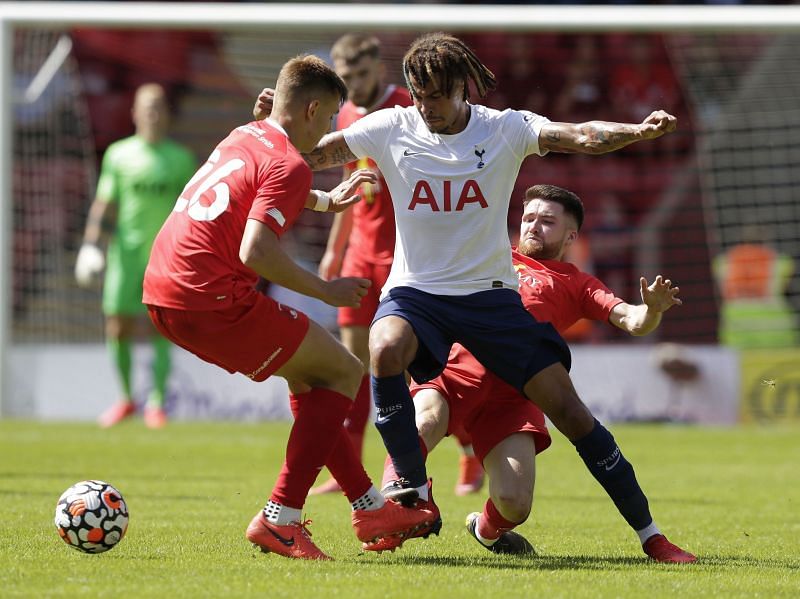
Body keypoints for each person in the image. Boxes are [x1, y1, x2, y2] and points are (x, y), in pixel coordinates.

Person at [252, 32, 685, 558]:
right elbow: (312, 154)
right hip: (416, 291)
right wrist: (273, 129)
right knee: (383, 345)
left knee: (571, 413)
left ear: (462, 87)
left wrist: (636, 131)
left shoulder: (504, 128)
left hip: (489, 298)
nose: (425, 106)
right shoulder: (393, 126)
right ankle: (412, 487)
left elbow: (583, 135)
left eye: (435, 94)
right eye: (417, 94)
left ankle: (651, 536)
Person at [143, 55, 434, 561]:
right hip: (209, 297)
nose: (328, 133)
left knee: (314, 380)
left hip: (164, 290)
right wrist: (326, 291)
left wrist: (326, 200)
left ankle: (369, 506)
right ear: (313, 109)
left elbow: (253, 188)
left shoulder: (245, 133)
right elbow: (255, 251)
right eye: (327, 121)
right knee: (344, 370)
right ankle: (281, 518)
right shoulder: (291, 162)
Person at [377, 184, 695, 563]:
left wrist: (652, 310)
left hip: (514, 398)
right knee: (424, 420)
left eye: (547, 221)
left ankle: (486, 530)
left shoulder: (577, 283)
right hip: (452, 375)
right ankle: (390, 513)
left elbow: (632, 319)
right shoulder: (486, 257)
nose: (533, 227)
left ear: (571, 236)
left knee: (515, 503)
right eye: (529, 218)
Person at [309, 33, 419, 495]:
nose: (352, 84)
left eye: (359, 74)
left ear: (377, 67)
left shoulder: (407, 109)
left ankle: (450, 457)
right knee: (353, 365)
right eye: (345, 75)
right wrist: (335, 250)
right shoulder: (348, 113)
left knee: (409, 371)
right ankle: (349, 470)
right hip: (360, 252)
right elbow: (349, 187)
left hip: (403, 254)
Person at [75, 83, 197, 429]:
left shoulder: (181, 158)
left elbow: (191, 211)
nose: (153, 113)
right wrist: (90, 246)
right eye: (147, 107)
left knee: (161, 326)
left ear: (168, 114)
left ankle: (157, 402)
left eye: (159, 107)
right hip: (125, 256)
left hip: (164, 258)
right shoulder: (119, 155)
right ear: (134, 113)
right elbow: (105, 204)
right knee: (117, 324)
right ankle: (127, 399)